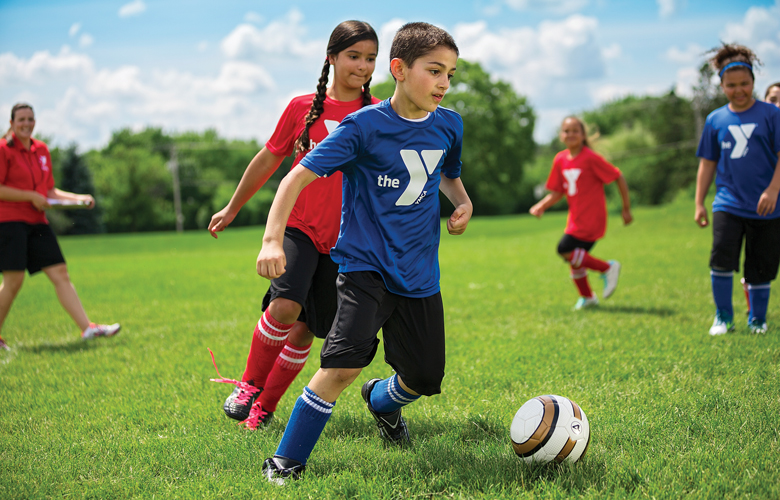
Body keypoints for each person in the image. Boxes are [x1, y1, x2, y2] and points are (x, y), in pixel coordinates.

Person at [256, 22, 472, 483]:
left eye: (451, 74)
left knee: (425, 377)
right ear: (399, 69)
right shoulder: (363, 127)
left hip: (419, 275)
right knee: (341, 365)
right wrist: (272, 240)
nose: (444, 83)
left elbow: (447, 173)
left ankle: (381, 401)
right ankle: (286, 461)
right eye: (434, 71)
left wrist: (463, 202)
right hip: (363, 269)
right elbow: (295, 177)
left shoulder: (450, 124)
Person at [207, 21, 380, 430]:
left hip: (346, 240)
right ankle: (249, 385)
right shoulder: (303, 108)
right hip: (299, 226)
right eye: (354, 56)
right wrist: (233, 207)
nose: (362, 66)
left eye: (370, 58)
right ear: (331, 58)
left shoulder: (376, 115)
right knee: (285, 306)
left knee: (305, 332)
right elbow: (268, 158)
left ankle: (264, 408)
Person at [0, 103, 120, 350]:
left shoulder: (41, 150)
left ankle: (88, 328)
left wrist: (77, 199)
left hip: (37, 222)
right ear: (11, 123)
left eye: (30, 119)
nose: (26, 123)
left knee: (60, 272)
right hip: (9, 222)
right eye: (21, 119)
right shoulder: (3, 150)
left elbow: (49, 191)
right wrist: (29, 196)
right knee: (13, 281)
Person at [694, 44, 780, 335]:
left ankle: (757, 319)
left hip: (766, 205)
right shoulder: (715, 120)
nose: (739, 90)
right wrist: (699, 203)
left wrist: (772, 190)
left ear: (753, 82)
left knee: (760, 265)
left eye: (744, 84)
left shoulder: (771, 115)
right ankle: (723, 318)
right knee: (720, 258)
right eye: (732, 85)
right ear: (722, 85)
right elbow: (707, 163)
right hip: (727, 203)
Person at [529, 116, 632, 310]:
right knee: (574, 259)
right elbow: (558, 191)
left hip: (592, 219)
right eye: (567, 131)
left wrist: (626, 209)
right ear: (561, 135)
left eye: (575, 130)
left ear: (583, 135)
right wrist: (541, 206)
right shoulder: (560, 159)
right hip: (575, 219)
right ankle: (588, 297)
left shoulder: (590, 158)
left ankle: (608, 268)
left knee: (564, 250)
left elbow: (618, 176)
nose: (571, 134)